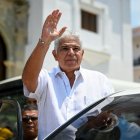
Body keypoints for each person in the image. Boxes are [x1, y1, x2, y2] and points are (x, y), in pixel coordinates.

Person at [22, 9, 114, 140]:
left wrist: (100, 122)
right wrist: (44, 41)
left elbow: (112, 117)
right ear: (55, 55)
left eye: (76, 49)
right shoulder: (46, 79)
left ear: (82, 54)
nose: (71, 52)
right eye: (65, 48)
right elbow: (28, 80)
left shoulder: (100, 80)